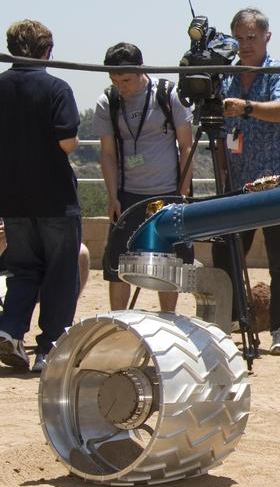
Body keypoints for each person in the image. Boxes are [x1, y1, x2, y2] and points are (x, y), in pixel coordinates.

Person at [213, 8, 280, 356]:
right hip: (238, 183)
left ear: (266, 37)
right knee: (228, 253)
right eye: (239, 38)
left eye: (252, 37)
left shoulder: (279, 72)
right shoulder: (226, 77)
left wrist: (246, 107)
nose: (245, 45)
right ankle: (233, 321)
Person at [0, 20, 81, 373]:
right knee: (61, 273)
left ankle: (9, 329)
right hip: (55, 198)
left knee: (23, 269)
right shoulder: (56, 87)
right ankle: (51, 347)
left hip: (13, 198)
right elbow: (67, 141)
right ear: (48, 51)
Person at [95, 42, 195, 311]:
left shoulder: (167, 94)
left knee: (170, 259)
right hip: (128, 194)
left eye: (126, 79)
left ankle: (169, 316)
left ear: (141, 71)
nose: (121, 86)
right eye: (114, 80)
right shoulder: (108, 101)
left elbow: (187, 145)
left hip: (167, 192)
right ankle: (118, 320)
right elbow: (107, 153)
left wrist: (182, 194)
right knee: (118, 261)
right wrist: (112, 196)